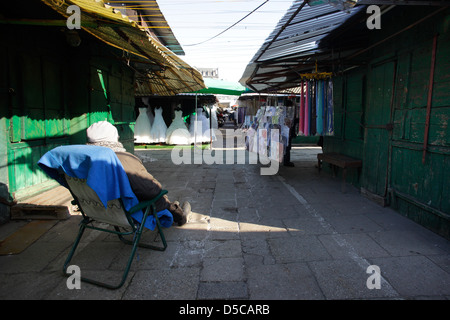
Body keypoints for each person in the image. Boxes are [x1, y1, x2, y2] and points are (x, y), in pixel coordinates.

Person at [86, 121, 190, 226]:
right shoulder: (122, 159)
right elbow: (149, 189)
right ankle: (179, 214)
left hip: (96, 207)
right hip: (126, 209)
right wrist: (159, 190)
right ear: (114, 137)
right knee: (159, 197)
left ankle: (175, 206)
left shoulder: (83, 159)